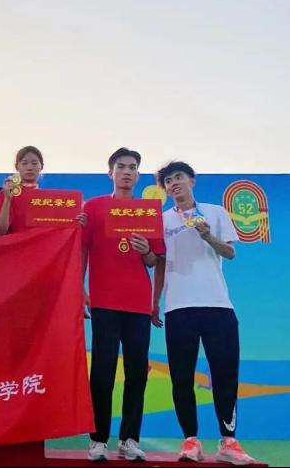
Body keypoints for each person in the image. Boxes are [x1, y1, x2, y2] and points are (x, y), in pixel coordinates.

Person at [153, 161, 255, 465]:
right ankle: (191, 441)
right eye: (168, 181)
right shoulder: (162, 220)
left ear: (192, 180)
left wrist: (207, 236)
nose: (174, 183)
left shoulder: (215, 212)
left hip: (218, 306)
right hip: (178, 308)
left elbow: (230, 252)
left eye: (179, 177)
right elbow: (158, 263)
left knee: (224, 374)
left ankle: (229, 442)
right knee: (181, 377)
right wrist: (154, 301)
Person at [83, 147, 164, 462]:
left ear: (138, 175)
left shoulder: (147, 211)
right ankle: (98, 439)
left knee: (137, 372)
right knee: (102, 371)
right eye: (121, 167)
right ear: (110, 173)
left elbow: (153, 260)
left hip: (138, 303)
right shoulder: (94, 207)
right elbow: (81, 250)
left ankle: (129, 439)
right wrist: (79, 288)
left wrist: (146, 251)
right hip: (104, 301)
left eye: (132, 167)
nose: (127, 172)